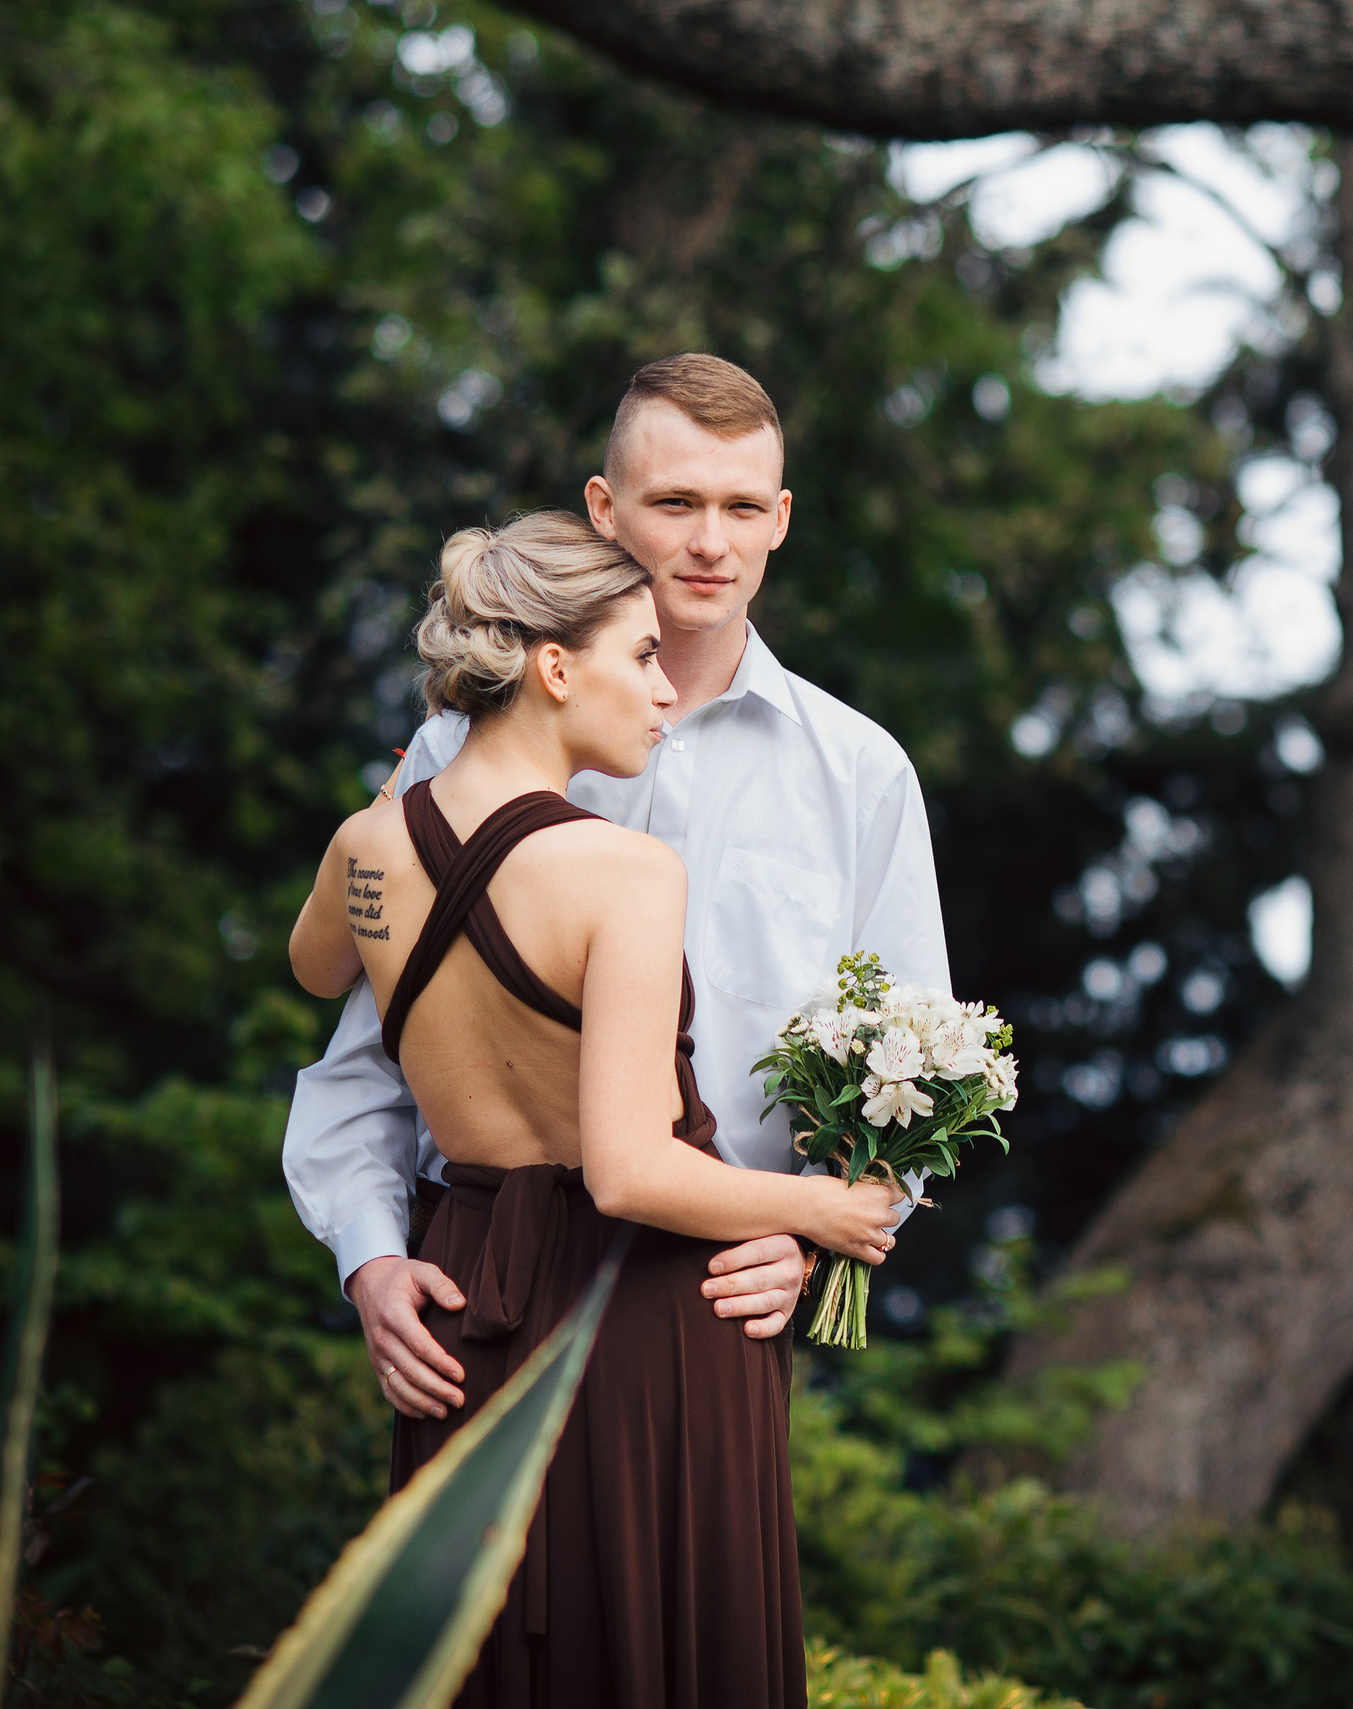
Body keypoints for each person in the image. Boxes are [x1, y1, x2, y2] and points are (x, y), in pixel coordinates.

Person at [290, 511, 904, 1706]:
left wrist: (399, 799)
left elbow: (318, 967)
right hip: (638, 1311)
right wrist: (831, 1210)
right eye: (638, 656)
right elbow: (629, 1170)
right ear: (555, 666)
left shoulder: (365, 846)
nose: (664, 690)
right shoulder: (624, 870)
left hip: (460, 1288)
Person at [282, 354, 952, 1421]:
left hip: (712, 1306)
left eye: (741, 507)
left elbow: (911, 1076)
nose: (709, 542)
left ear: (781, 518)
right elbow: (369, 1043)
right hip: (477, 1283)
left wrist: (817, 1243)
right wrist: (368, 1254)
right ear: (602, 510)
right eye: (675, 501)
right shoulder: (452, 754)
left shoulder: (861, 775)